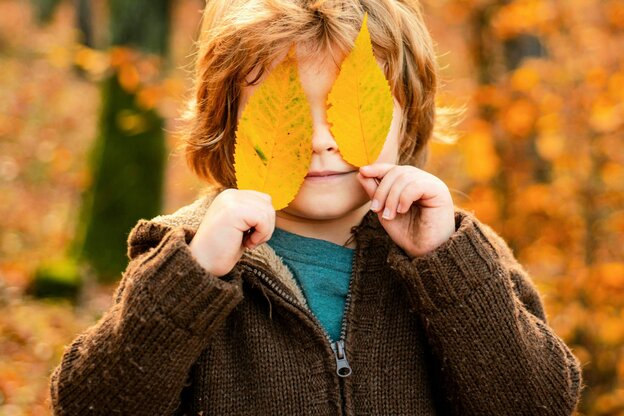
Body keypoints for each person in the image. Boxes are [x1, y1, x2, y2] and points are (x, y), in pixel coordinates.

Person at [49, 0, 583, 414]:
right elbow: (89, 404)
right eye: (287, 113)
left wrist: (446, 264)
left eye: (347, 107)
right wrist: (192, 278)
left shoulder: (458, 254)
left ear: (409, 116)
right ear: (229, 124)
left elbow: (537, 403)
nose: (322, 141)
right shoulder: (185, 255)